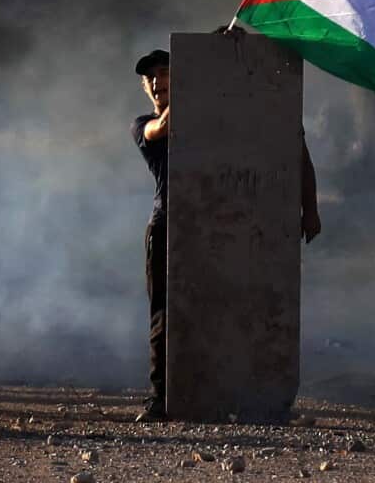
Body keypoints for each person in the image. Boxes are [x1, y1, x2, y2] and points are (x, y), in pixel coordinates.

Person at [131, 43, 320, 422]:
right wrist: (205, 75)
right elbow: (161, 127)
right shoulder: (144, 124)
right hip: (169, 228)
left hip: (221, 229)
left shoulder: (216, 114)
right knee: (166, 318)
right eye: (150, 77)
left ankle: (242, 395)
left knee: (232, 309)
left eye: (165, 74)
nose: (156, 82)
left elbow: (295, 152)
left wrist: (309, 208)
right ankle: (162, 398)